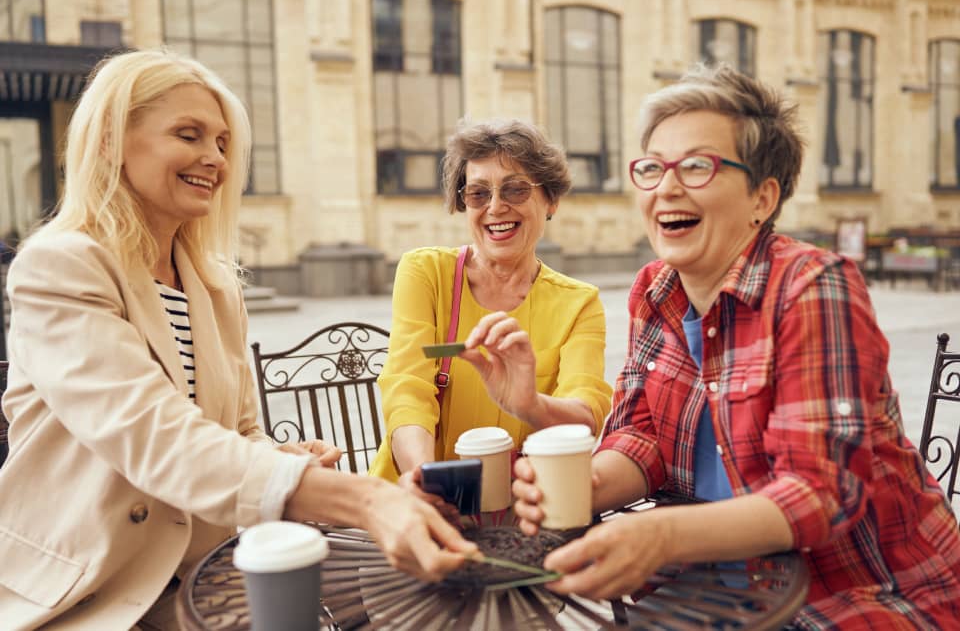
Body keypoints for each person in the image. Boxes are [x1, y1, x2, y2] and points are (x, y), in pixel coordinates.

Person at [0, 49, 473, 630]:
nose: (213, 159)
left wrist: (278, 456)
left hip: (204, 583)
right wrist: (363, 499)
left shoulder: (215, 285)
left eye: (222, 143)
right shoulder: (61, 266)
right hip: (83, 596)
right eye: (188, 134)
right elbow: (153, 436)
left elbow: (238, 432)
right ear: (110, 142)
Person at [513, 65, 960, 627]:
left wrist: (661, 535)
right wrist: (587, 485)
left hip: (857, 593)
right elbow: (641, 436)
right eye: (652, 168)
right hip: (717, 591)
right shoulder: (656, 289)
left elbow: (818, 492)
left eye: (697, 166)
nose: (665, 187)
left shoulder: (812, 287)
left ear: (762, 197)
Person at [368, 119, 613, 510]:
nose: (496, 207)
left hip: (523, 513)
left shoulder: (578, 304)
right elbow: (407, 390)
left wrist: (530, 404)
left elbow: (586, 417)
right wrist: (430, 482)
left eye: (515, 189)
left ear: (550, 200)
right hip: (417, 501)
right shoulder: (425, 273)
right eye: (478, 194)